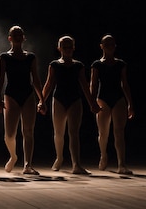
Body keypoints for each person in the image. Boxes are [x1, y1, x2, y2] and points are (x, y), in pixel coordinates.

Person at [42, 35, 101, 175]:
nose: (67, 49)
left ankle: (76, 164)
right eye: (64, 47)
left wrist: (92, 103)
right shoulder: (54, 64)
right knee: (59, 132)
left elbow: (85, 86)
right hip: (58, 99)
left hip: (75, 100)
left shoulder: (78, 65)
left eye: (69, 46)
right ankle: (59, 157)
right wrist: (41, 100)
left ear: (73, 48)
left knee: (74, 133)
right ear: (59, 48)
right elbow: (49, 84)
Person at [0, 26, 47, 175]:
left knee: (28, 131)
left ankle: (28, 165)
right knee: (10, 134)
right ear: (10, 38)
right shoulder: (5, 57)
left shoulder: (30, 57)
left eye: (20, 34)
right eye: (14, 34)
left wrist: (42, 99)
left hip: (27, 94)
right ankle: (13, 156)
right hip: (11, 94)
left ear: (24, 38)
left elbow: (36, 79)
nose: (18, 37)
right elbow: (0, 79)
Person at [90, 34, 135, 175]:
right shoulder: (97, 64)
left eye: (112, 44)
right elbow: (93, 84)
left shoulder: (121, 64)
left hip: (118, 99)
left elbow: (125, 84)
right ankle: (103, 155)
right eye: (107, 44)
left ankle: (121, 164)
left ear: (115, 46)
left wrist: (130, 104)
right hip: (102, 98)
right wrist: (92, 102)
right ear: (101, 46)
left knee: (119, 132)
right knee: (103, 133)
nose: (110, 46)